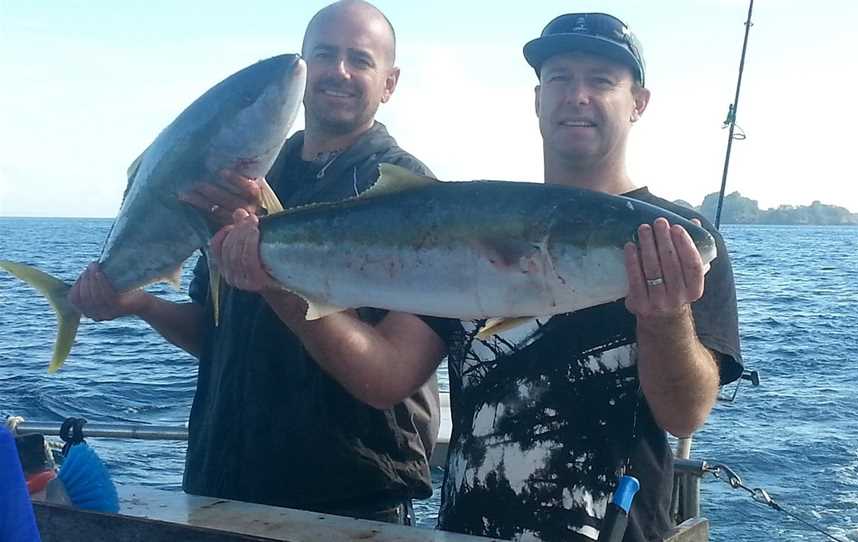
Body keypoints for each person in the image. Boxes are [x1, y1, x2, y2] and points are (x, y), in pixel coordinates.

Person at [69, 0, 453, 525]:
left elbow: (385, 379)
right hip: (219, 490)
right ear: (303, 67)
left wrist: (272, 277)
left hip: (348, 506)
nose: (338, 71)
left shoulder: (409, 194)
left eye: (359, 59)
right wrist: (138, 303)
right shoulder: (243, 178)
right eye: (324, 55)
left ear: (389, 82)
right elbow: (217, 333)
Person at [434, 13, 743, 542]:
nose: (577, 95)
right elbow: (388, 378)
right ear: (537, 99)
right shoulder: (473, 221)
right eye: (560, 78)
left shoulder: (679, 240)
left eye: (601, 80)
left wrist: (666, 316)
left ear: (638, 103)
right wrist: (280, 283)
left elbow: (684, 415)